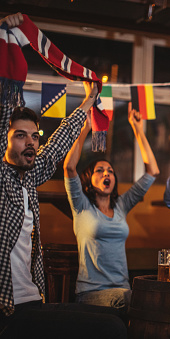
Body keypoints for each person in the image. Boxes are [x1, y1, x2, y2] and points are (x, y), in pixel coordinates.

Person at [0, 13, 127, 339]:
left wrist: (89, 99)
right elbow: (3, 109)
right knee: (109, 328)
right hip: (8, 311)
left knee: (113, 323)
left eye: (34, 136)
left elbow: (57, 145)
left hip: (34, 302)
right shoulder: (1, 178)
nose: (30, 142)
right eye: (19, 136)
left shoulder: (29, 177)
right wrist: (6, 39)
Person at [63, 103, 159, 314]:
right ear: (88, 181)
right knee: (139, 306)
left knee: (149, 304)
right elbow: (69, 167)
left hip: (123, 291)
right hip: (91, 294)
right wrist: (85, 130)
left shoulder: (121, 205)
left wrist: (138, 130)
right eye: (100, 171)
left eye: (110, 171)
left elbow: (152, 170)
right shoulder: (81, 205)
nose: (107, 174)